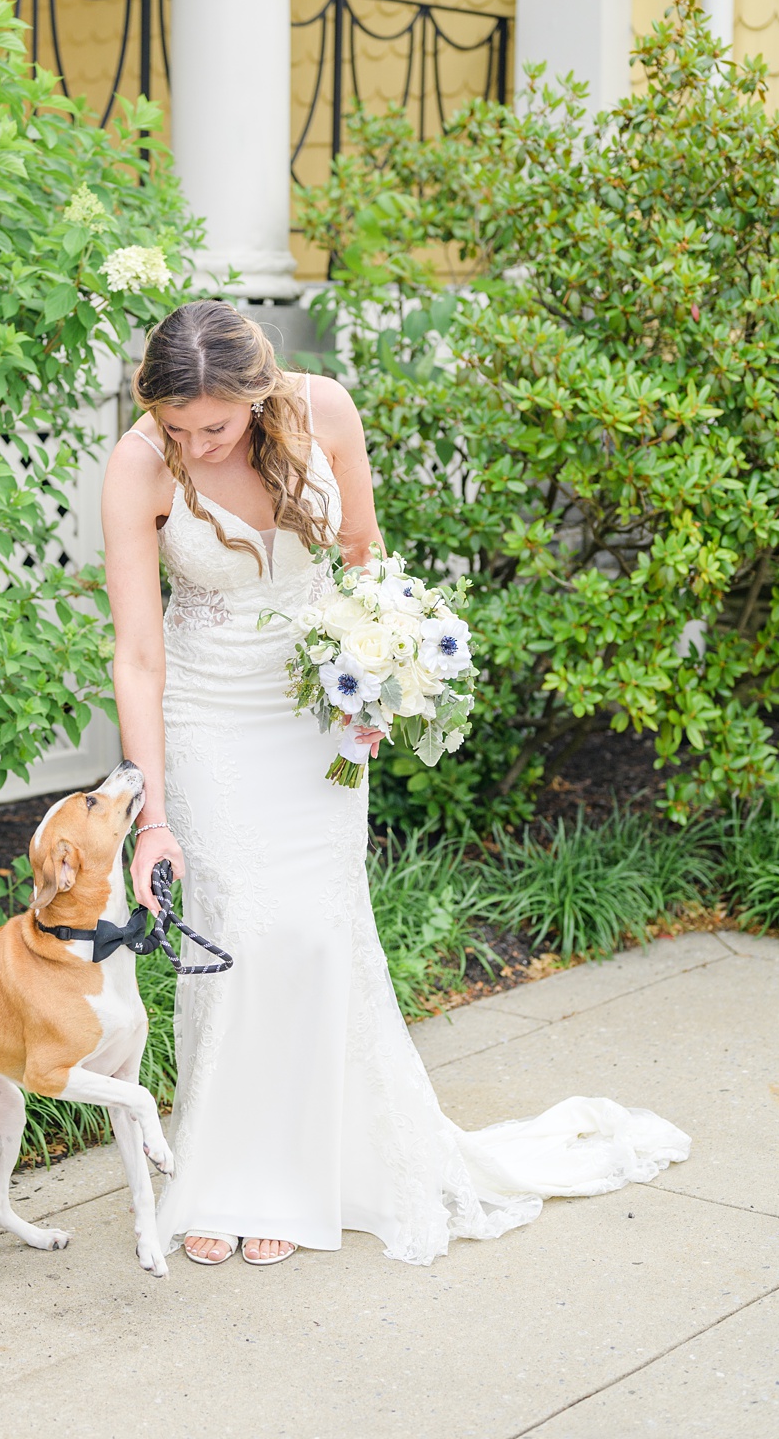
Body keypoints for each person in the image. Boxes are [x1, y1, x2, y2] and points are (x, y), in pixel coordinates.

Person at [102, 299, 688, 1268]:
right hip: (207, 713)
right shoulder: (137, 465)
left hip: (315, 716)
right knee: (244, 928)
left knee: (315, 929)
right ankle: (226, 1174)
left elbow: (364, 557)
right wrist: (150, 814)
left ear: (257, 393)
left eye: (214, 425)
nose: (196, 446)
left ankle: (299, 1176)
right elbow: (136, 652)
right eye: (176, 428)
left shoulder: (323, 412)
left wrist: (377, 668)